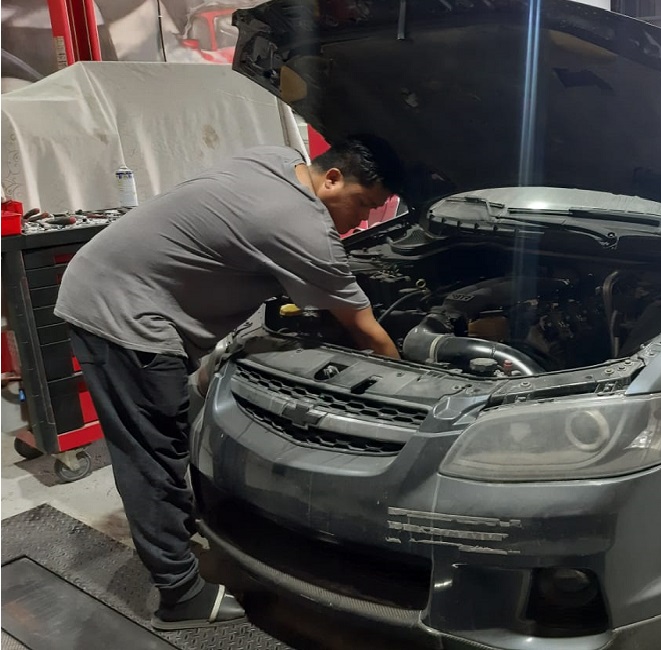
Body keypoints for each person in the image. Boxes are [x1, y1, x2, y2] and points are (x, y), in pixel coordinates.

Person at [54, 137, 404, 630]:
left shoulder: (276, 159)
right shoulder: (302, 227)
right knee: (151, 455)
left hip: (107, 277)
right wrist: (403, 378)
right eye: (363, 205)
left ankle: (183, 531)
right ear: (331, 179)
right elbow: (367, 333)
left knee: (164, 439)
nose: (363, 221)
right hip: (124, 315)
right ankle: (179, 595)